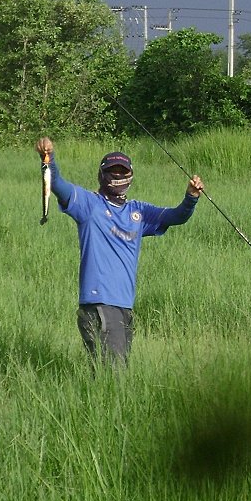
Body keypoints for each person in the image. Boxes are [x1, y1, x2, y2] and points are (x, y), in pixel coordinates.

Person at [35, 136, 203, 367]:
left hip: (124, 306)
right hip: (100, 304)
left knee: (112, 376)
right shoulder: (89, 205)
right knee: (113, 375)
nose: (118, 176)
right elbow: (57, 184)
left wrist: (191, 197)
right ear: (102, 175)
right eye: (112, 171)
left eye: (123, 172)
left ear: (130, 175)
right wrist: (48, 158)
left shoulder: (139, 212)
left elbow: (176, 217)